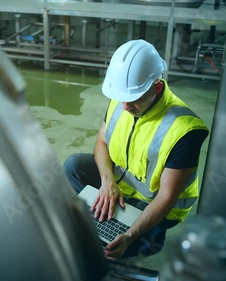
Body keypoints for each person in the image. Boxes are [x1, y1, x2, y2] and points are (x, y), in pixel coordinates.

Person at [63, 39, 209, 259]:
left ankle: (148, 237)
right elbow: (102, 142)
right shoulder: (122, 100)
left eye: (134, 100)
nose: (125, 107)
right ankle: (106, 217)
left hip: (154, 203)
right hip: (120, 186)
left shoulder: (185, 130)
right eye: (122, 99)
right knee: (73, 165)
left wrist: (130, 235)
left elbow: (166, 197)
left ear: (157, 87)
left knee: (110, 249)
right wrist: (107, 181)